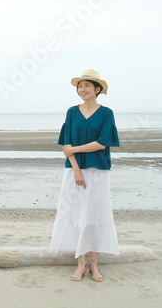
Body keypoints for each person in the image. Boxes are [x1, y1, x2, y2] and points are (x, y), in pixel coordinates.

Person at [50, 69, 120, 282]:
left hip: (98, 171)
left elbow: (103, 142)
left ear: (97, 89)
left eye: (87, 86)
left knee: (95, 214)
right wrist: (77, 169)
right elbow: (67, 144)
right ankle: (81, 263)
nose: (83, 89)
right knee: (76, 213)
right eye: (80, 86)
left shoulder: (106, 113)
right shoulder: (72, 112)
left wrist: (75, 151)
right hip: (74, 171)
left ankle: (94, 263)